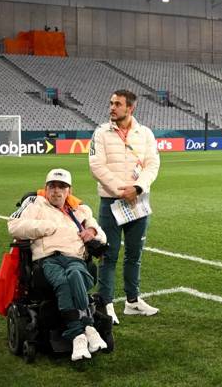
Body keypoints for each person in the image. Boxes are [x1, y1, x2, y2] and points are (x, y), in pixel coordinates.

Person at [7, 168, 108, 362]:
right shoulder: (35, 204)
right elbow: (14, 226)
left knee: (75, 275)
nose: (56, 191)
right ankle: (86, 329)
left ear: (68, 190)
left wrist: (93, 231)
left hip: (74, 257)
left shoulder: (80, 210)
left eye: (62, 187)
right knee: (63, 280)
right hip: (47, 258)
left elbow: (102, 237)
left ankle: (79, 333)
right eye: (52, 186)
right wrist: (45, 227)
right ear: (46, 188)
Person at [89, 89, 161, 325]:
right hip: (112, 201)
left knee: (134, 254)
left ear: (130, 108)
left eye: (117, 104)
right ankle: (106, 303)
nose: (112, 107)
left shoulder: (145, 134)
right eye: (111, 103)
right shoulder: (100, 133)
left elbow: (153, 165)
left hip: (138, 201)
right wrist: (123, 190)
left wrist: (137, 188)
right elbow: (96, 166)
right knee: (108, 255)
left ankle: (132, 301)